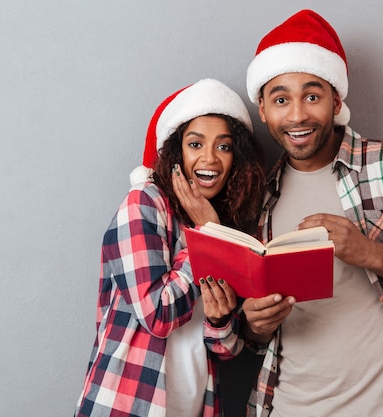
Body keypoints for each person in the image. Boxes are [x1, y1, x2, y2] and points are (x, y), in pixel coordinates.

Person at [240, 10, 383, 417]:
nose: (296, 115)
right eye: (281, 99)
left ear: (337, 99)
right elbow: (257, 334)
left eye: (312, 96)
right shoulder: (257, 193)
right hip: (286, 405)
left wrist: (370, 252)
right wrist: (253, 324)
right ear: (262, 109)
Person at [74, 78, 265, 417]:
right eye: (196, 144)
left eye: (224, 147)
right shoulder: (143, 204)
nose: (210, 158)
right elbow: (158, 314)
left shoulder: (226, 227)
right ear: (177, 152)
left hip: (195, 403)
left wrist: (221, 320)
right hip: (130, 404)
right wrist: (206, 235)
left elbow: (226, 347)